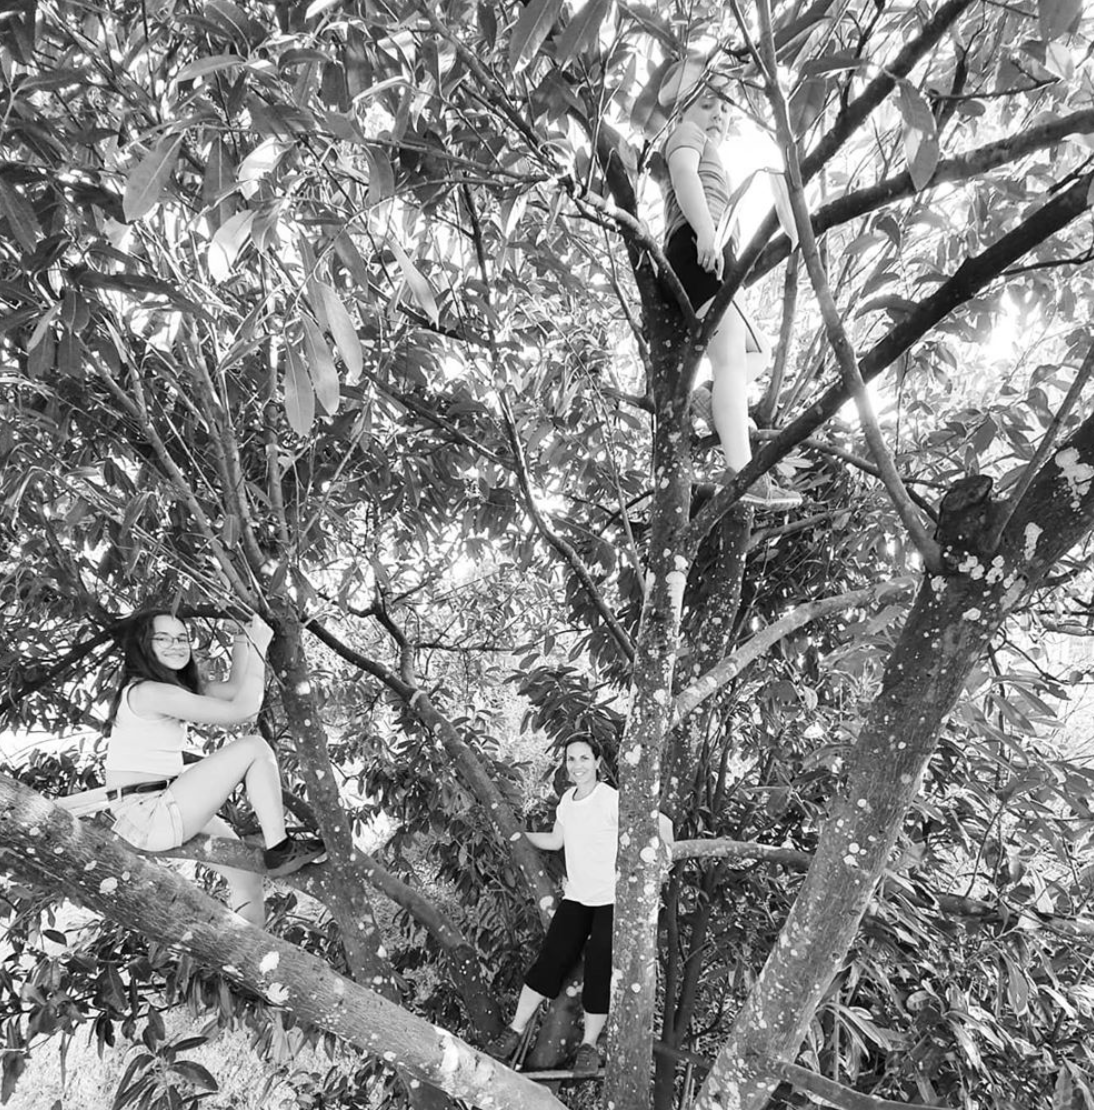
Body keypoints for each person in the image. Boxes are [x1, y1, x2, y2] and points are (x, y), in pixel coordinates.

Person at [104, 610, 326, 928]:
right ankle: (280, 848)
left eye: (181, 638)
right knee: (254, 747)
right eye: (163, 638)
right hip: (149, 813)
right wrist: (260, 645)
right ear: (142, 646)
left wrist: (239, 635)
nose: (176, 645)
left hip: (164, 802)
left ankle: (251, 959)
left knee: (247, 879)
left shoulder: (170, 687)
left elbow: (236, 688)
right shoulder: (149, 692)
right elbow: (244, 710)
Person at [485, 736, 672, 1077]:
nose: (577, 765)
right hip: (577, 898)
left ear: (598, 762)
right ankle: (514, 1030)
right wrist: (519, 837)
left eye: (584, 758)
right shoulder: (568, 802)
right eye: (571, 759)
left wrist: (662, 866)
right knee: (550, 960)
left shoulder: (612, 799)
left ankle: (588, 1045)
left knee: (599, 968)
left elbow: (664, 825)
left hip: (611, 901)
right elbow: (557, 840)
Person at [660, 67, 803, 510]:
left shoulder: (715, 155)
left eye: (724, 110)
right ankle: (743, 475)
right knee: (730, 361)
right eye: (707, 105)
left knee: (751, 353)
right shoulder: (686, 134)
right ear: (685, 108)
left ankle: (708, 397)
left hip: (713, 254)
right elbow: (683, 175)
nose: (718, 116)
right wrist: (704, 231)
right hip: (696, 247)